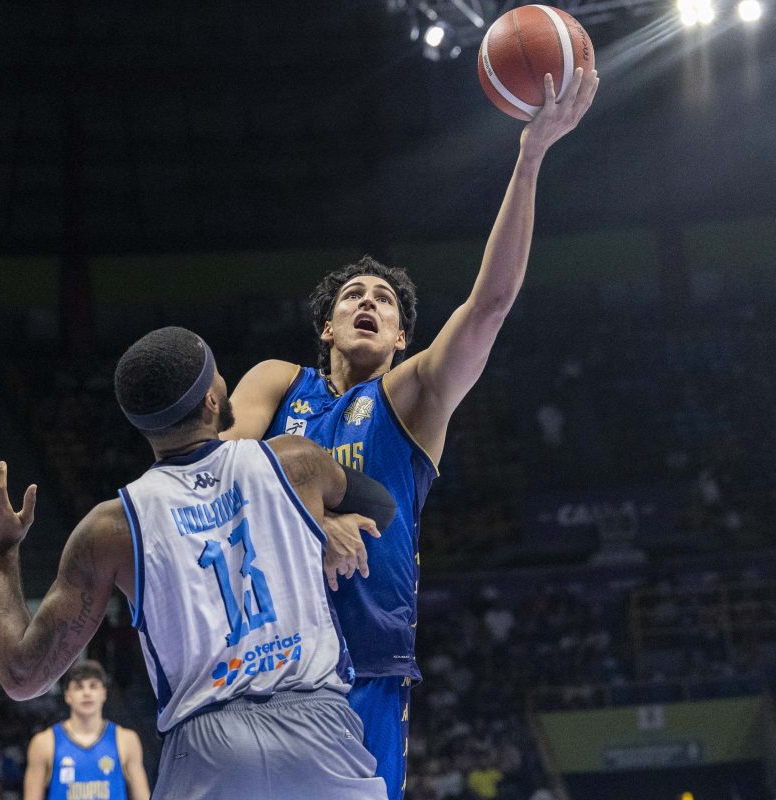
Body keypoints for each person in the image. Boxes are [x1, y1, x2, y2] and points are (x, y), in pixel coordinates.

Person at [223, 68, 600, 798]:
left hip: (366, 664)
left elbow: (490, 304)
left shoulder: (413, 398)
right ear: (326, 326)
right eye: (352, 296)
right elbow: (217, 476)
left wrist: (530, 159)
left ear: (401, 337)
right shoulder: (275, 381)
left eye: (385, 301)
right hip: (261, 662)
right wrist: (313, 517)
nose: (368, 301)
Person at [0, 326, 399, 800]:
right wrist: (323, 523)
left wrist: (0, 554)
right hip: (318, 728)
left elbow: (23, 676)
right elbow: (382, 506)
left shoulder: (110, 528)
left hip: (205, 745)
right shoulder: (296, 464)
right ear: (212, 399)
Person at [23, 659, 149, 800]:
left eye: (93, 686)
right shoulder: (44, 743)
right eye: (79, 687)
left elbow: (143, 796)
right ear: (67, 695)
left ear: (104, 693)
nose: (87, 693)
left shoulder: (126, 740)